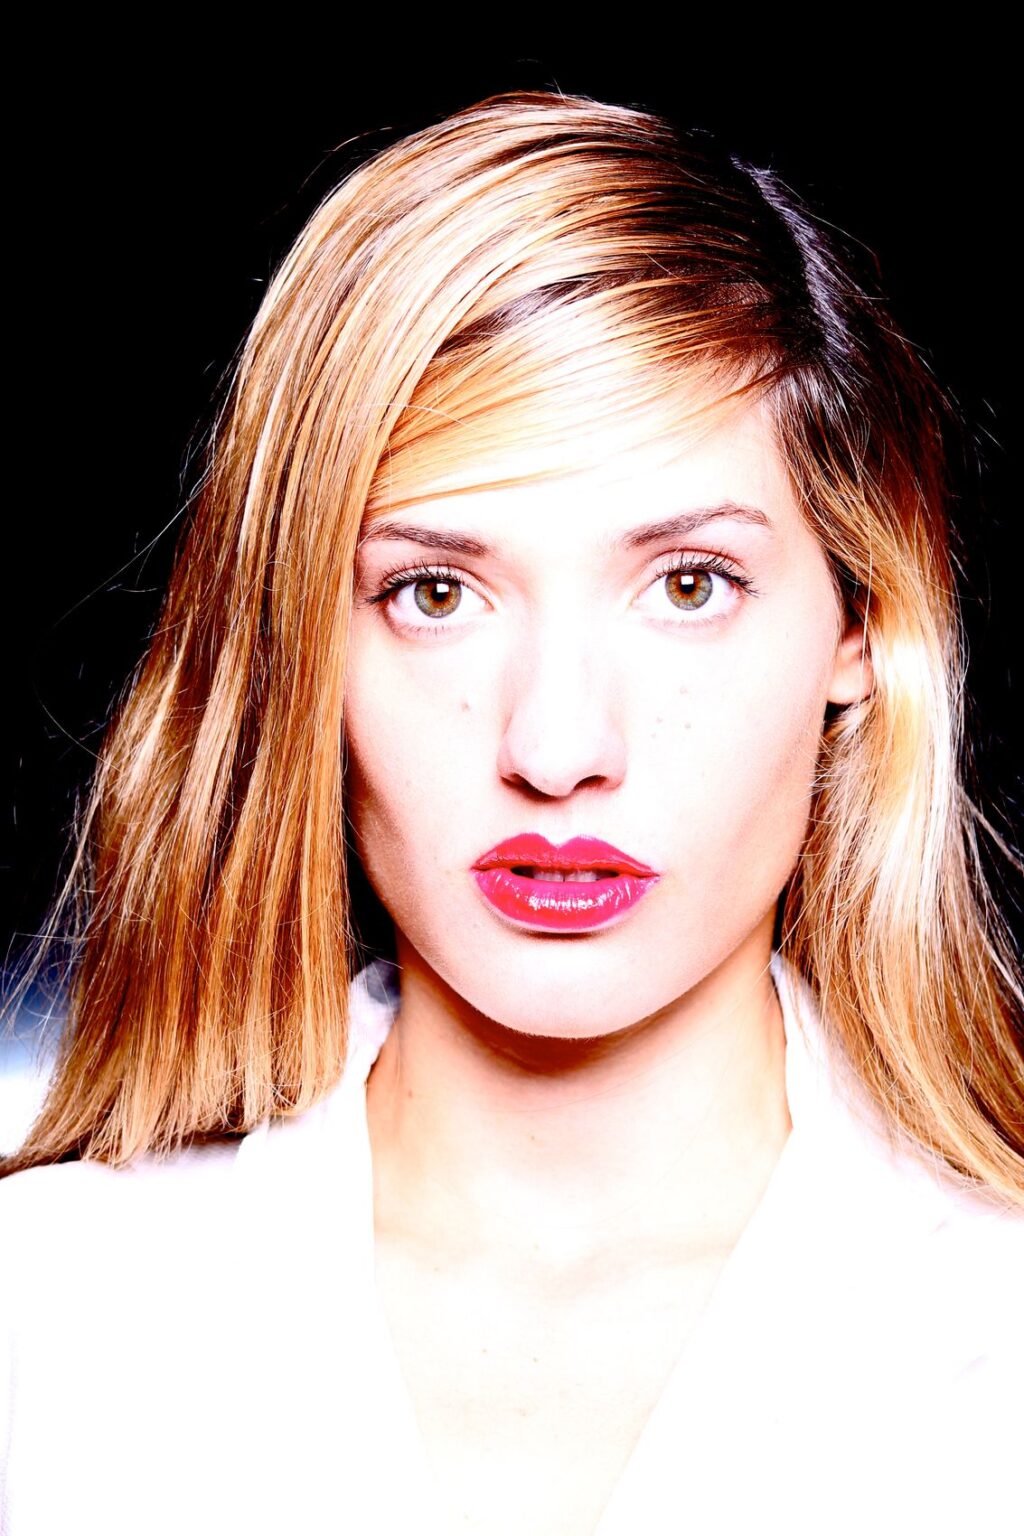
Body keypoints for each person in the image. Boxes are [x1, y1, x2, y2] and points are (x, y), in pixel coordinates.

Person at [1, 89, 1021, 1536]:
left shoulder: (994, 1334)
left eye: (688, 586)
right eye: (435, 593)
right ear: (302, 644)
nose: (556, 748)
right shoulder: (45, 1329)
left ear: (862, 623)